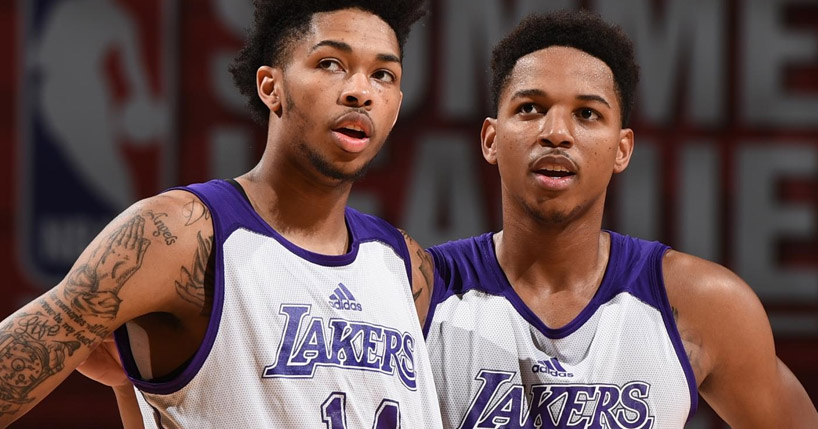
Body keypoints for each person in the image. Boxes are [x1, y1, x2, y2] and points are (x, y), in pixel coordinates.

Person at [0, 1, 443, 427]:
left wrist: (127, 390)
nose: (360, 92)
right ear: (270, 87)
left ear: (397, 107)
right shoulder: (177, 236)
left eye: (383, 75)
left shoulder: (404, 265)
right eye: (330, 64)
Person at [422, 10, 818, 429]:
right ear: (491, 139)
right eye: (531, 108)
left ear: (622, 149)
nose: (556, 132)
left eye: (587, 114)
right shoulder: (423, 293)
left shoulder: (705, 304)